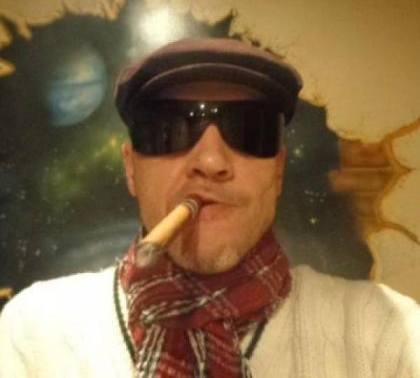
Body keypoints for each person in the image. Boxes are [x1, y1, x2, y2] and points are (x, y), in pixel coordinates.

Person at [0, 38, 419, 378]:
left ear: (278, 171)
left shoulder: (385, 333)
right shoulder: (36, 333)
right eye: (170, 128)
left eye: (249, 129)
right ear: (131, 169)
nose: (212, 161)